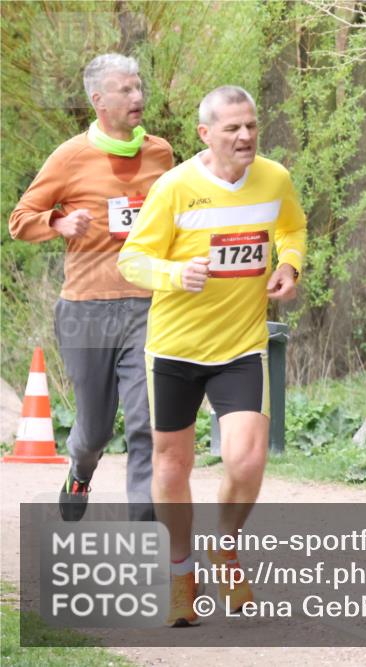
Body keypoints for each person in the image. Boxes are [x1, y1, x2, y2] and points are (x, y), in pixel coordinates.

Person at [117, 85, 306, 627]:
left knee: (247, 459)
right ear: (205, 134)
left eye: (250, 125)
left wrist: (288, 265)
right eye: (232, 128)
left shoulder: (275, 178)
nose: (245, 136)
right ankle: (181, 571)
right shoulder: (174, 188)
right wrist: (176, 274)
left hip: (241, 344)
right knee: (172, 465)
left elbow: (291, 227)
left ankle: (224, 549)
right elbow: (133, 260)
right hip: (175, 348)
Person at [8, 53, 174, 523]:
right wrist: (59, 222)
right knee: (97, 427)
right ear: (98, 100)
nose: (138, 96)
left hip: (147, 304)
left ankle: (146, 526)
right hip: (85, 308)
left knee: (146, 422)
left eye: (139, 86)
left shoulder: (161, 154)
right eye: (126, 90)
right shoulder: (70, 156)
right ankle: (81, 469)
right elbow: (19, 220)